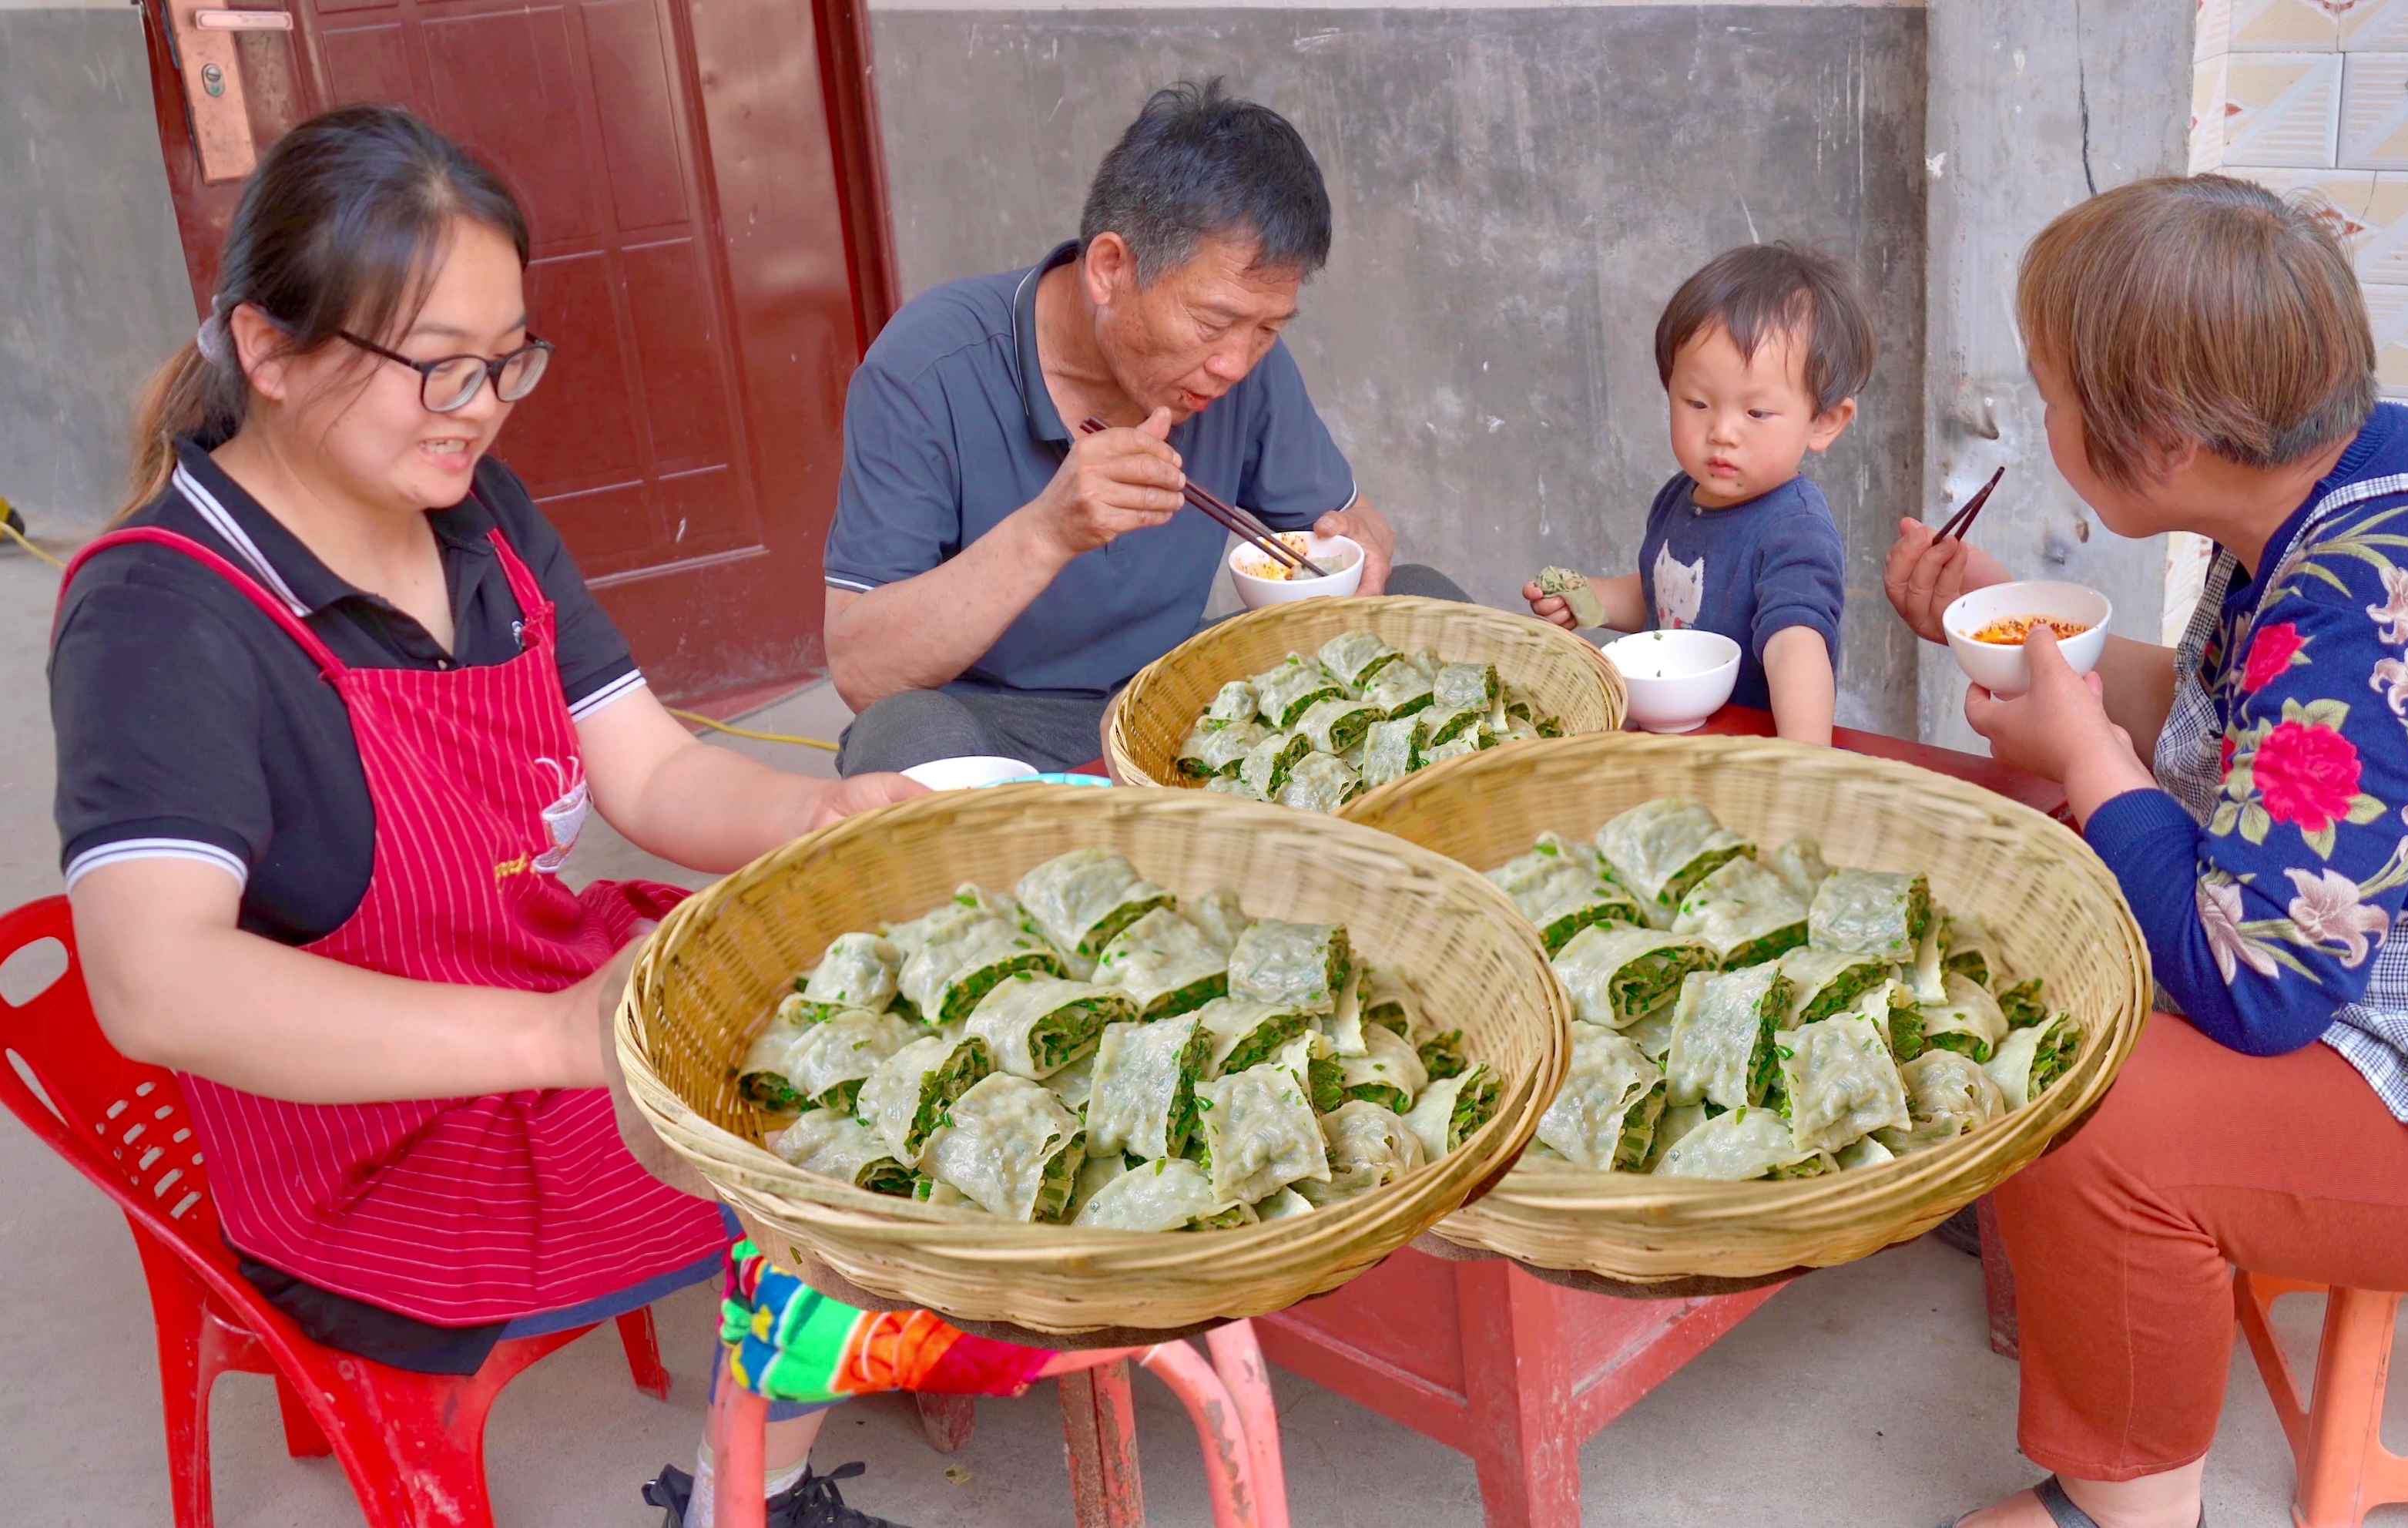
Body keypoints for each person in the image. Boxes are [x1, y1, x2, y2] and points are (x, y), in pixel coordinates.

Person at [48, 107, 928, 1528]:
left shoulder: (480, 516)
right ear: (268, 351)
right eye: (436, 367)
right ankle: (741, 1502)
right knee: (849, 1128)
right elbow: (158, 983)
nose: (481, 404)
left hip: (533, 1000)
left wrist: (832, 809)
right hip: (374, 1149)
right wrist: (557, 1035)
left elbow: (647, 774)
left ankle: (765, 1461)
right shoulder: (164, 614)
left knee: (890, 1009)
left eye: (507, 358)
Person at [1883, 175, 2408, 1528]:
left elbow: (2255, 985)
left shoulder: (2371, 611)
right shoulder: (2363, 480)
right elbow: (2259, 728)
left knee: (2084, 1101)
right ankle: (2096, 1272)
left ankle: (2126, 1505)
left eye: (2049, 387)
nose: (2038, 418)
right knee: (2048, 887)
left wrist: (2087, 754)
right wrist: (2019, 637)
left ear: (2158, 437)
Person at [823, 79, 1467, 777]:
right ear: (1109, 269)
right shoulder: (927, 368)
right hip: (1009, 724)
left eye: (1269, 329)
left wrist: (1359, 553)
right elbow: (864, 667)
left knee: (1419, 594)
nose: (1233, 362)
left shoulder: (1245, 366)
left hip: (1182, 689)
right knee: (901, 737)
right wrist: (1049, 530)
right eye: (1214, 322)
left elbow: (1350, 530)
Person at [1523, 243, 1866, 744]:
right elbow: (1660, 597)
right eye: (1698, 402)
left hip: (1744, 750)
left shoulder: (1795, 530)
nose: (1722, 432)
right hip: (1670, 738)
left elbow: (1797, 648)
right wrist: (1588, 600)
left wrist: (1802, 764)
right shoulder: (1679, 498)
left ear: (1823, 422)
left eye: (1757, 413)